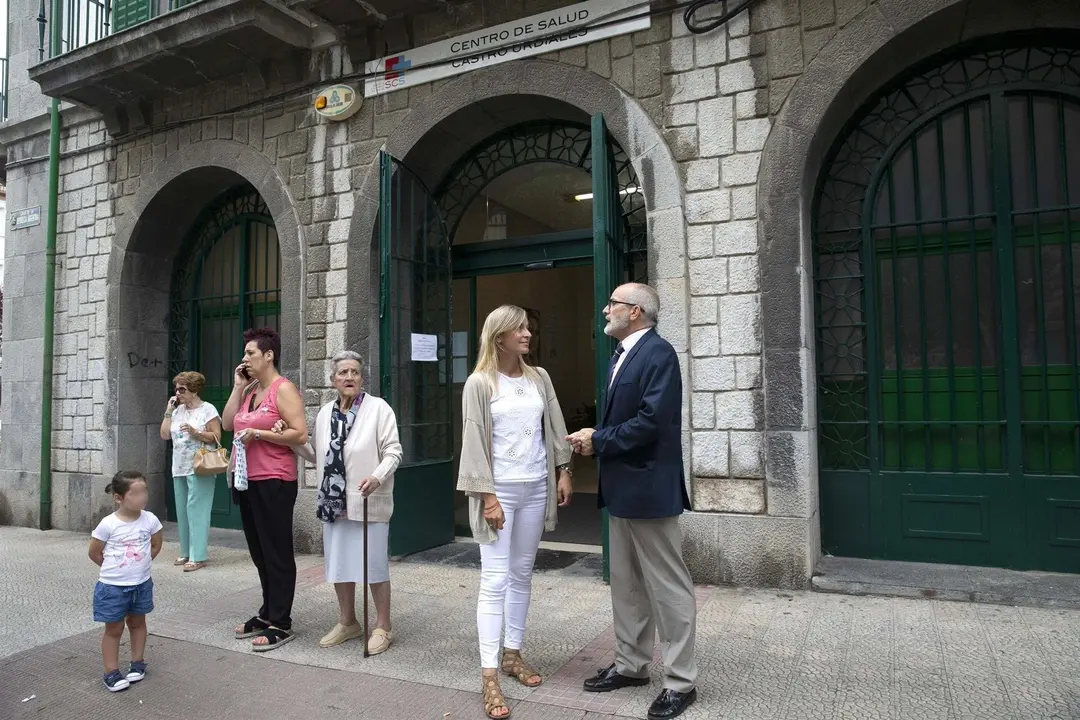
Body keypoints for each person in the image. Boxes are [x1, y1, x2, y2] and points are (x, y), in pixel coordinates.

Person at [567, 283, 698, 720]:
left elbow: (651, 423)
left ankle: (681, 682)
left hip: (649, 490)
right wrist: (597, 441)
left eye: (613, 304)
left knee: (668, 588)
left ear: (636, 312)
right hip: (621, 489)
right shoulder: (619, 355)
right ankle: (631, 665)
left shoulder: (659, 354)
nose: (606, 309)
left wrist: (597, 439)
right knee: (626, 585)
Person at [457, 305, 574, 720]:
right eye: (519, 329)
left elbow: (555, 425)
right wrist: (487, 496)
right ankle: (489, 675)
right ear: (500, 336)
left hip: (535, 486)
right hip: (499, 490)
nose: (527, 334)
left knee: (522, 573)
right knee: (494, 579)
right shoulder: (480, 382)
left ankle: (513, 654)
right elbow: (472, 441)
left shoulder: (538, 378)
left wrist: (563, 469)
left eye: (528, 328)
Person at [283, 351, 403, 654]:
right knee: (340, 565)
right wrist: (293, 442)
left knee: (374, 566)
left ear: (362, 378)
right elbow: (318, 456)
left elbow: (394, 451)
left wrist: (377, 477)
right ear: (333, 379)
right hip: (333, 503)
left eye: (355, 372)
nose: (349, 377)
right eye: (343, 373)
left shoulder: (379, 409)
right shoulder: (325, 413)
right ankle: (348, 621)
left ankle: (383, 626)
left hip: (367, 500)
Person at [222, 326, 308, 652]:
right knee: (259, 553)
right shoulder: (251, 389)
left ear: (268, 355)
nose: (244, 358)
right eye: (245, 353)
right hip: (246, 480)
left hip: (275, 479)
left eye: (250, 353)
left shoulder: (283, 389)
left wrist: (262, 436)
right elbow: (228, 424)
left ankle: (281, 623)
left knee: (277, 552)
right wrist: (237, 387)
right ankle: (267, 612)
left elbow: (300, 434)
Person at [88, 470, 163, 692]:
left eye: (144, 491)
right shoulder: (108, 524)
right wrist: (114, 570)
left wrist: (141, 566)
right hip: (112, 587)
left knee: (138, 623)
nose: (143, 497)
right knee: (114, 628)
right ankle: (110, 672)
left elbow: (156, 544)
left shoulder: (150, 519)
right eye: (136, 493)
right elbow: (94, 552)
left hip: (141, 584)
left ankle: (137, 663)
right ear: (118, 498)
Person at [160, 371, 222, 572]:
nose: (178, 393)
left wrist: (196, 433)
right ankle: (186, 551)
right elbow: (164, 435)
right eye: (176, 389)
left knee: (198, 510)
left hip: (200, 465)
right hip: (179, 466)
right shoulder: (177, 411)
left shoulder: (207, 410)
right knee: (183, 510)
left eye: (182, 389)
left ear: (194, 390)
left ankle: (199, 556)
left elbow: (217, 436)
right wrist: (169, 410)